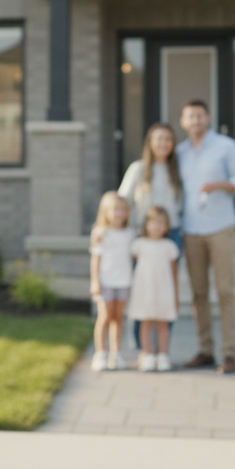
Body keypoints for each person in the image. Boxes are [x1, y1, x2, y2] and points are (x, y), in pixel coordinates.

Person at [175, 99, 235, 374]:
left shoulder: (225, 146)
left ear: (207, 118)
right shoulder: (179, 152)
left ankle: (229, 353)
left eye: (200, 116)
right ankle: (205, 350)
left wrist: (222, 184)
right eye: (190, 117)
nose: (195, 121)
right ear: (183, 122)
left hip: (220, 227)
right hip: (191, 230)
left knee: (225, 291)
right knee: (198, 294)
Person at [117, 123, 184, 351]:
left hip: (171, 235)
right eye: (159, 139)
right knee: (142, 291)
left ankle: (161, 349)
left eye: (168, 139)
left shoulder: (176, 171)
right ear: (150, 143)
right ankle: (141, 348)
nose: (163, 143)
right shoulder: (138, 169)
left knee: (166, 291)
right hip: (143, 236)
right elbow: (122, 200)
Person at [128, 206, 181, 372]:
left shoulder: (169, 246)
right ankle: (148, 354)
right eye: (153, 222)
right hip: (145, 290)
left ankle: (163, 354)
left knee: (163, 323)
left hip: (164, 290)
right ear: (146, 225)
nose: (157, 226)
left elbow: (174, 272)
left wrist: (176, 295)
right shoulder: (138, 245)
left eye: (161, 223)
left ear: (167, 227)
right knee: (146, 322)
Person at [89, 191, 133, 371]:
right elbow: (95, 259)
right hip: (105, 281)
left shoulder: (130, 233)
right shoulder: (101, 232)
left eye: (123, 209)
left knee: (118, 318)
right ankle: (100, 354)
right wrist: (95, 281)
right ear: (105, 211)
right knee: (104, 317)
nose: (119, 213)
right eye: (115, 209)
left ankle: (117, 354)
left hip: (123, 282)